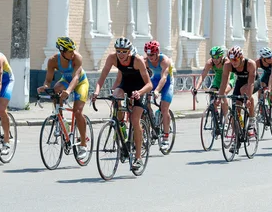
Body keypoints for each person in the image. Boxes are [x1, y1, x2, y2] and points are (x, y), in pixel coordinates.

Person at [92, 37, 153, 170]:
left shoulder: (137, 60)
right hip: (125, 85)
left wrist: (140, 92)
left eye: (124, 51)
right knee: (115, 96)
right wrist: (96, 92)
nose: (120, 54)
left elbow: (149, 84)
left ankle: (138, 158)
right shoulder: (112, 58)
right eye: (118, 51)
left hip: (140, 88)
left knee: (135, 119)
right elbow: (102, 77)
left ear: (129, 51)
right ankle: (121, 129)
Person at [37, 37, 89, 160]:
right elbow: (48, 80)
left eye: (73, 50)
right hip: (66, 81)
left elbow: (76, 77)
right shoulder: (53, 61)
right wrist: (44, 87)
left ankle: (83, 144)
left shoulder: (77, 58)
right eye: (70, 51)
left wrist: (68, 91)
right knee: (55, 90)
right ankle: (60, 120)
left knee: (77, 112)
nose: (73, 53)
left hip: (80, 82)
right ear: (62, 52)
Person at [218, 46, 257, 150]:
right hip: (240, 81)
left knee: (245, 91)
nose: (233, 62)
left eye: (235, 59)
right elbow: (223, 82)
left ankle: (252, 120)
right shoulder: (228, 65)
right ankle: (237, 139)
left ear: (241, 57)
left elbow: (251, 83)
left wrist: (248, 98)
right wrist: (220, 96)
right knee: (236, 110)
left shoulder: (250, 64)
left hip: (252, 82)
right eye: (231, 60)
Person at [192, 46, 235, 126]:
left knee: (223, 94)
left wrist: (221, 92)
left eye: (216, 57)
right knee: (211, 94)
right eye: (213, 57)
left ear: (221, 56)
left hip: (229, 79)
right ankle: (216, 116)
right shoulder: (210, 62)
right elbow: (203, 75)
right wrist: (196, 88)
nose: (214, 60)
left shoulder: (226, 62)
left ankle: (226, 120)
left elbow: (227, 78)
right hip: (218, 79)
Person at [143, 40, 174, 151]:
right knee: (143, 105)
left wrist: (156, 91)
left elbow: (164, 78)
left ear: (157, 53)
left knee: (164, 108)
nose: (150, 57)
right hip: (154, 80)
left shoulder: (164, 60)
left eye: (152, 54)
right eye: (148, 54)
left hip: (166, 83)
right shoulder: (145, 61)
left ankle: (165, 137)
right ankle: (149, 124)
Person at [254, 47, 272, 121]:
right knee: (260, 90)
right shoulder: (258, 62)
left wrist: (271, 86)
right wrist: (259, 82)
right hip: (266, 75)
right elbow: (254, 74)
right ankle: (261, 111)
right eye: (268, 58)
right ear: (262, 58)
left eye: (270, 57)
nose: (270, 58)